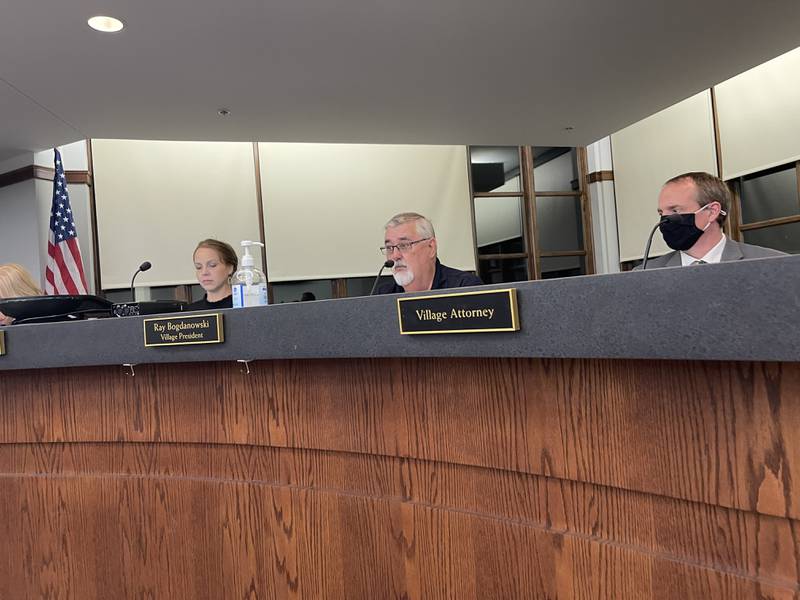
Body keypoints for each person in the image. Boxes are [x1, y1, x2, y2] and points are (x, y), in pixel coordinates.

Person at [641, 172, 786, 269]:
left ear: (712, 211)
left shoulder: (775, 264)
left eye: (675, 211)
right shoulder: (643, 273)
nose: (663, 221)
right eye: (661, 212)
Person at [375, 212, 482, 294]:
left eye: (404, 245)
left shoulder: (465, 288)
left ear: (431, 247)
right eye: (389, 247)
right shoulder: (383, 295)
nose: (395, 256)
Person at [187, 239, 238, 310]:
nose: (204, 272)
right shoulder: (190, 312)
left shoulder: (243, 306)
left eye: (212, 265)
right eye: (199, 267)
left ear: (230, 268)